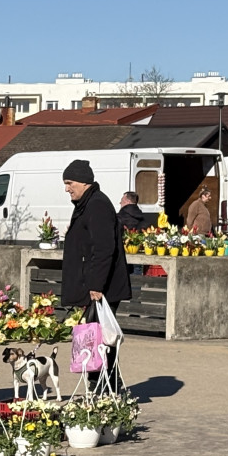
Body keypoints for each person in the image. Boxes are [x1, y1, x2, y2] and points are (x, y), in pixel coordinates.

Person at [60, 159, 132, 386]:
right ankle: (101, 384)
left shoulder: (97, 205)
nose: (66, 188)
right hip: (96, 284)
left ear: (84, 182)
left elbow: (103, 249)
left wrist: (96, 286)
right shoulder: (87, 204)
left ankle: (106, 386)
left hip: (103, 287)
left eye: (70, 182)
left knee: (101, 339)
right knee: (95, 337)